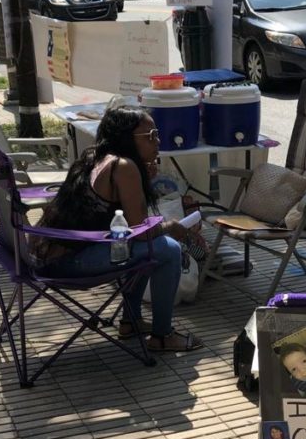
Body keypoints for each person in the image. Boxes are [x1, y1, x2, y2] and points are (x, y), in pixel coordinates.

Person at [29, 106, 202, 353]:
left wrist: (144, 180)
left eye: (157, 134)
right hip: (65, 262)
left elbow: (121, 219)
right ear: (126, 138)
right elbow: (140, 231)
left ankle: (131, 321)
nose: (158, 141)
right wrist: (173, 227)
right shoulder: (123, 167)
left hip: (43, 252)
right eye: (150, 135)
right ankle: (162, 336)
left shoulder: (94, 156)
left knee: (146, 248)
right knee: (167, 249)